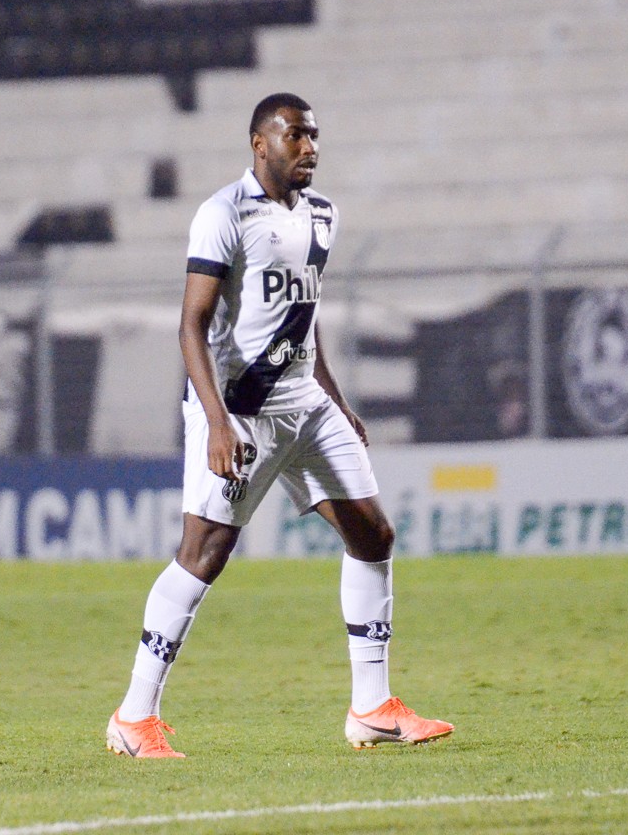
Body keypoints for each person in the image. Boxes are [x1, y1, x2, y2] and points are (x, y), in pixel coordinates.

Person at [106, 93, 453, 758]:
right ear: (259, 144)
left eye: (315, 135)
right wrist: (215, 423)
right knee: (203, 553)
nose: (311, 147)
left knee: (373, 533)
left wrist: (336, 398)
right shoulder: (222, 215)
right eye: (296, 135)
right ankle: (133, 716)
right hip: (242, 409)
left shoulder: (324, 215)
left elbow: (305, 316)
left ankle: (373, 707)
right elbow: (191, 327)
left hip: (308, 405)